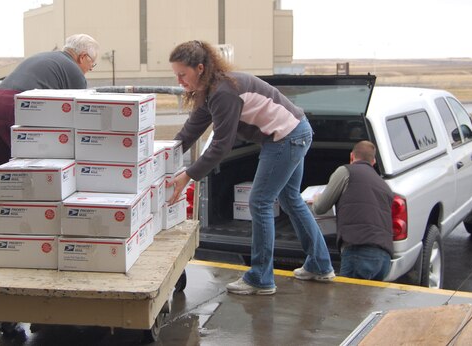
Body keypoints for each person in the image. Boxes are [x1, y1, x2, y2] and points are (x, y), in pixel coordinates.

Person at [167, 40, 335, 296]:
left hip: (286, 137)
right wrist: (163, 156)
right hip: (296, 131)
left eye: (182, 74)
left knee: (260, 201)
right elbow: (190, 131)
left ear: (200, 68)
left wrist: (188, 176)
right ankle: (320, 265)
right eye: (176, 74)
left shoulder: (223, 93)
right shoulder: (210, 91)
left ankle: (260, 277)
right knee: (290, 198)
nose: (179, 80)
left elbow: (221, 146)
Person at [0, 33, 100, 173]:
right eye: (92, 63)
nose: (90, 69)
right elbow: (79, 118)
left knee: (2, 171)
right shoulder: (74, 71)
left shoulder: (46, 57)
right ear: (83, 57)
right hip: (16, 108)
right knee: (29, 171)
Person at [312, 140, 393, 280]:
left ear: (351, 156)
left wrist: (316, 198)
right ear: (373, 161)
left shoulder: (346, 171)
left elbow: (320, 207)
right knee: (370, 301)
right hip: (385, 259)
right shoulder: (385, 187)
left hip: (358, 251)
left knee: (347, 300)